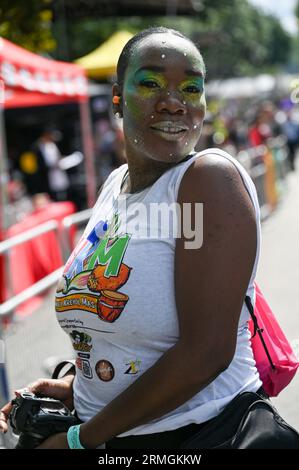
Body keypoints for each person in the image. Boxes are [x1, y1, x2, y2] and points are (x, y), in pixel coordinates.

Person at [1, 27, 265, 449]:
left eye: (191, 88)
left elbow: (206, 352)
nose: (174, 101)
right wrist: (77, 386)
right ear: (117, 97)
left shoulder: (205, 182)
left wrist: (78, 440)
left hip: (196, 438)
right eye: (150, 83)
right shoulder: (114, 185)